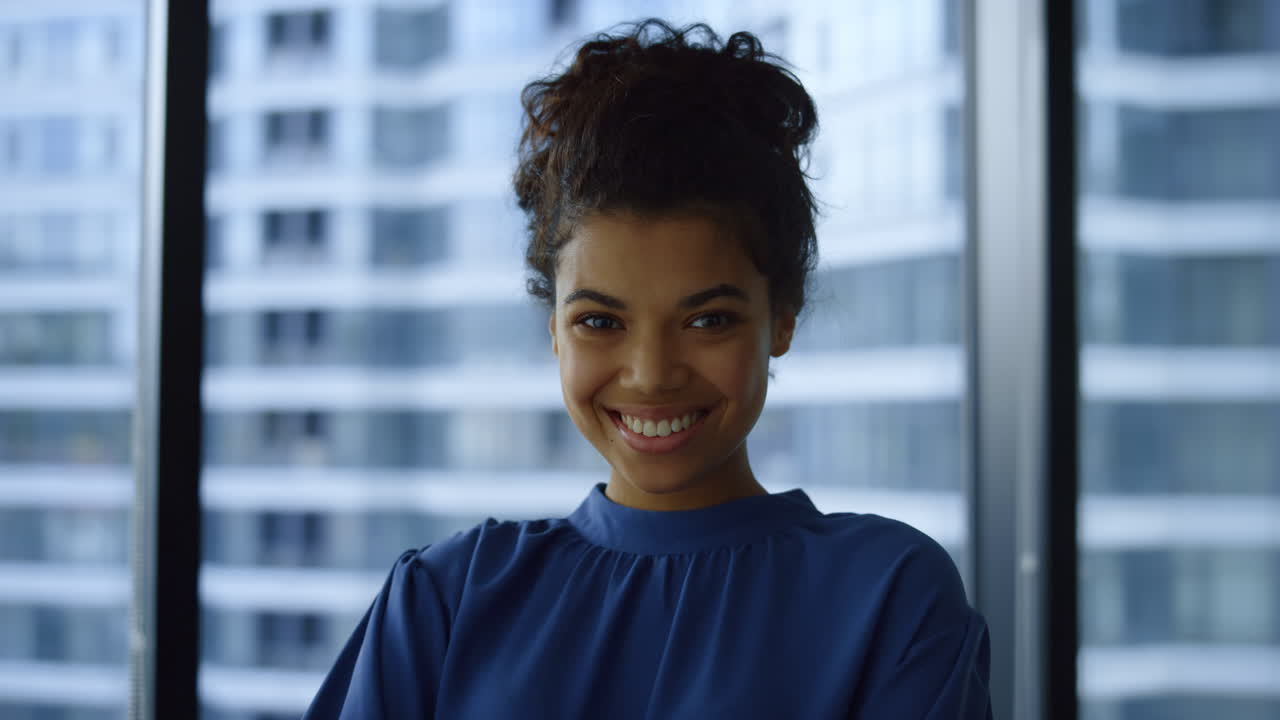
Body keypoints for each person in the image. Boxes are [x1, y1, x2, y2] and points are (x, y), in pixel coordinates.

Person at [303, 19, 991, 719]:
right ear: (555, 332)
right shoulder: (444, 599)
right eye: (600, 321)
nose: (652, 374)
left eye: (707, 319)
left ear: (781, 317)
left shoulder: (886, 597)